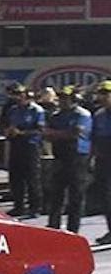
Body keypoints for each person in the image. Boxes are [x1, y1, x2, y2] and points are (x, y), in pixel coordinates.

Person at [43, 87, 93, 233]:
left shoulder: (82, 114)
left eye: (66, 98)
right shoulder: (56, 115)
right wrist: (59, 134)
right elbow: (46, 134)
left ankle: (73, 228)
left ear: (74, 99)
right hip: (60, 157)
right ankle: (53, 226)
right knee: (56, 193)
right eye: (62, 98)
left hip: (78, 157)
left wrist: (56, 134)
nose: (63, 101)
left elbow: (75, 134)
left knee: (75, 195)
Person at [4, 84, 46, 218]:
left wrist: (22, 132)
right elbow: (8, 124)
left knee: (32, 178)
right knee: (16, 177)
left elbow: (40, 130)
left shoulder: (36, 110)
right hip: (16, 145)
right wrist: (9, 132)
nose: (19, 97)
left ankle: (35, 207)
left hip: (30, 145)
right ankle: (18, 205)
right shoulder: (14, 110)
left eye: (21, 94)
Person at [92, 81, 111, 245]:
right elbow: (95, 139)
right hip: (104, 159)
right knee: (106, 197)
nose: (103, 97)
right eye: (101, 94)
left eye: (107, 94)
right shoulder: (99, 115)